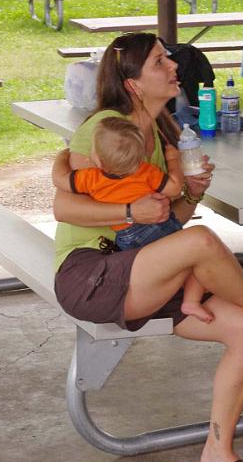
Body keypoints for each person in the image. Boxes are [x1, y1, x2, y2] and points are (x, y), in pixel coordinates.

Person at [53, 32, 243, 462]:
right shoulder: (104, 128)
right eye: (161, 62)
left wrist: (192, 195)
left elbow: (166, 223)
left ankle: (218, 453)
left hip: (146, 271)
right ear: (134, 83)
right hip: (93, 273)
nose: (175, 67)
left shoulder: (163, 135)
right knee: (204, 242)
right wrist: (127, 213)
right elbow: (65, 208)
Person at [52, 116, 213, 325]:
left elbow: (60, 179)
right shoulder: (145, 172)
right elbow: (174, 187)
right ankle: (192, 300)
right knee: (194, 259)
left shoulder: (91, 178)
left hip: (127, 240)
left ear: (98, 160)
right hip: (157, 229)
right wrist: (174, 160)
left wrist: (61, 157)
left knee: (191, 258)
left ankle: (190, 298)